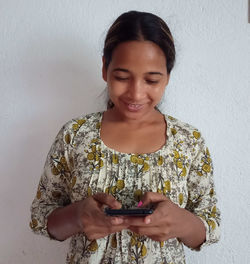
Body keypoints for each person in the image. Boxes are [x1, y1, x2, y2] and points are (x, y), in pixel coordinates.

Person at [30, 10, 220, 264]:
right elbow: (42, 218)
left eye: (152, 80)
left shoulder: (189, 141)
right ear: (104, 69)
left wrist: (181, 223)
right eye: (122, 77)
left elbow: (211, 225)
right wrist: (78, 216)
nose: (136, 93)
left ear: (168, 78)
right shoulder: (74, 136)